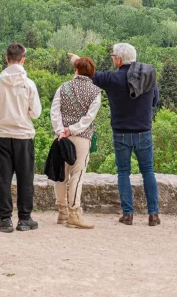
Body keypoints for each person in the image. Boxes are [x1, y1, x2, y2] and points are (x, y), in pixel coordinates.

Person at [69, 43, 161, 227]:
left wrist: (76, 61)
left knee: (123, 172)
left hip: (121, 132)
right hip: (144, 131)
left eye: (113, 56)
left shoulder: (111, 79)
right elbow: (155, 101)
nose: (112, 59)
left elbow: (88, 74)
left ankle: (128, 214)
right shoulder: (149, 77)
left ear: (119, 59)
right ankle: (153, 215)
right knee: (148, 171)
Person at [0, 42, 42, 233]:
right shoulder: (29, 84)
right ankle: (24, 219)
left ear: (6, 58)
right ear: (23, 59)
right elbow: (36, 113)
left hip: (2, 135)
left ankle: (5, 219)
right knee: (25, 179)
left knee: (4, 179)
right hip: (23, 136)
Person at [50, 56, 101, 229]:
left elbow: (54, 111)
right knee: (77, 175)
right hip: (81, 137)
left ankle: (62, 211)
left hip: (61, 138)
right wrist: (73, 129)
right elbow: (89, 118)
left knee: (61, 175)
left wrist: (61, 131)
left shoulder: (63, 87)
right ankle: (74, 213)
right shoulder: (95, 92)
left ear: (76, 70)